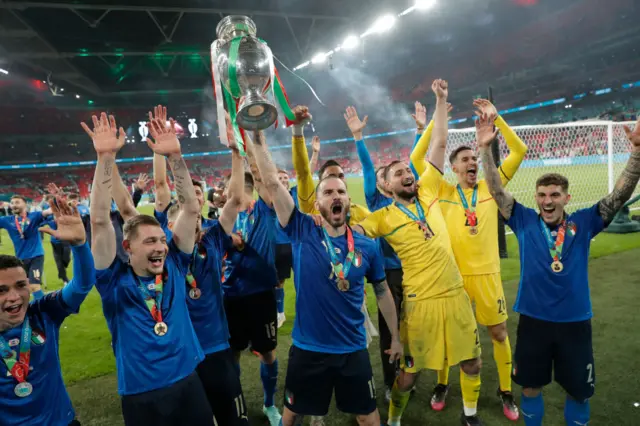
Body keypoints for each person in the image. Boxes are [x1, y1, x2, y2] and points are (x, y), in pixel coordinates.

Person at [478, 112, 640, 426]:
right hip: (534, 321)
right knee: (530, 386)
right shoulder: (523, 220)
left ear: (566, 197)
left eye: (554, 195)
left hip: (575, 323)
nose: (547, 201)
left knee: (579, 392)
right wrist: (486, 148)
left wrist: (636, 154)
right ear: (535, 198)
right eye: (542, 195)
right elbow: (496, 191)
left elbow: (618, 196)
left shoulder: (583, 221)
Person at [248, 129, 402, 426]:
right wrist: (258, 141)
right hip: (309, 350)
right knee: (292, 416)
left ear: (348, 201)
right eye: (328, 192)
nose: (336, 196)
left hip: (353, 349)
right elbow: (271, 184)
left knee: (369, 418)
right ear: (316, 204)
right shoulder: (302, 229)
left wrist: (395, 337)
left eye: (341, 192)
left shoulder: (368, 246)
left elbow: (382, 292)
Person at [353, 80, 484, 426]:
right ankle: (394, 420)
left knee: (471, 363)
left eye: (407, 170)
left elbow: (439, 142)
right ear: (386, 186)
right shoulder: (381, 217)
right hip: (420, 302)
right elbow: (351, 232)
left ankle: (470, 416)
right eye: (398, 173)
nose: (407, 174)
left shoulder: (427, 191)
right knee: (408, 375)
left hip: (455, 294)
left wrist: (441, 100)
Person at [82, 112, 214, 426]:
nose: (159, 247)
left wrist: (176, 158)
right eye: (149, 242)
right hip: (142, 394)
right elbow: (100, 220)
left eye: (160, 239)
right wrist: (104, 158)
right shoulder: (112, 280)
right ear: (127, 248)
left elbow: (191, 208)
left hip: (188, 379)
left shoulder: (176, 264)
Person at [410, 99, 527, 420]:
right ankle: (442, 383)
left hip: (488, 276)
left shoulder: (492, 186)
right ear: (454, 167)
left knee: (499, 333)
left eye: (474, 157)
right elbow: (415, 158)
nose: (472, 161)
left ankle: (505, 391)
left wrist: (497, 120)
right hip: (454, 279)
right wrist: (436, 121)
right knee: (453, 338)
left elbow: (519, 152)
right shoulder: (443, 191)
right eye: (465, 159)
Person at [166, 147, 250, 425]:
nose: (195, 223)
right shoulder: (169, 254)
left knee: (233, 418)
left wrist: (238, 154)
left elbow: (236, 199)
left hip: (217, 345)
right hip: (184, 352)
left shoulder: (213, 238)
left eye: (198, 219)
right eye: (187, 222)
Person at [0, 192, 96, 425]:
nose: (14, 297)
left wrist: (80, 246)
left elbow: (82, 285)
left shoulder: (42, 313)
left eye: (21, 286)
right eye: (1, 290)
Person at [348, 104, 420, 401]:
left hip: (415, 270)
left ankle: (411, 374)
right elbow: (366, 169)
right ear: (381, 184)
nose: (383, 177)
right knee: (391, 330)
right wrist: (358, 138)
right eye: (382, 175)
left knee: (413, 325)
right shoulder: (375, 200)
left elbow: (414, 169)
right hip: (388, 273)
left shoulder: (411, 200)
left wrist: (418, 131)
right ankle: (392, 382)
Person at [221, 130, 281, 426]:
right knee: (230, 356)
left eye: (228, 187)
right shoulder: (222, 220)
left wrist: (256, 141)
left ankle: (270, 404)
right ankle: (237, 405)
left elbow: (264, 179)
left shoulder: (264, 210)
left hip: (260, 294)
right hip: (229, 298)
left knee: (267, 354)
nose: (223, 193)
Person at [274, 136, 317, 328]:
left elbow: (307, 173)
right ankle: (280, 312)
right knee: (279, 281)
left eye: (285, 178)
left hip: (298, 243)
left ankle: (307, 309)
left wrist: (314, 153)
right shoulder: (270, 197)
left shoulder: (294, 194)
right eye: (280, 178)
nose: (283, 180)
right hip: (278, 244)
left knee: (305, 278)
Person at [0, 195, 51, 297]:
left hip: (36, 256)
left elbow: (48, 211)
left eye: (17, 202)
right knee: (24, 287)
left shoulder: (34, 216)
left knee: (34, 286)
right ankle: (28, 309)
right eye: (13, 203)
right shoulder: (7, 220)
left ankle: (43, 309)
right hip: (20, 259)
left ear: (25, 204)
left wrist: (55, 199)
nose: (14, 205)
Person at [45, 195, 71, 286]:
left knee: (66, 259)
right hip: (55, 241)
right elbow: (41, 220)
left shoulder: (65, 212)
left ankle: (63, 268)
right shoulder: (49, 216)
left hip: (66, 240)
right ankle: (64, 279)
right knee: (59, 262)